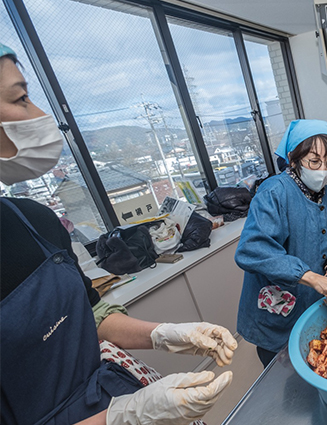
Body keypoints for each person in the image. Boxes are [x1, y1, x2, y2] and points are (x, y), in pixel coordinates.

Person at [0, 43, 237, 425]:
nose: (41, 115)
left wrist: (165, 334)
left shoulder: (33, 219)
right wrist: (127, 417)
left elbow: (89, 314)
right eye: (22, 98)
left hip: (105, 391)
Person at [235, 119, 327, 368]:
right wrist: (312, 277)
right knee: (282, 374)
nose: (323, 170)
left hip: (311, 301)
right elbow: (253, 250)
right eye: (314, 161)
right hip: (277, 306)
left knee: (314, 360)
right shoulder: (274, 192)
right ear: (293, 158)